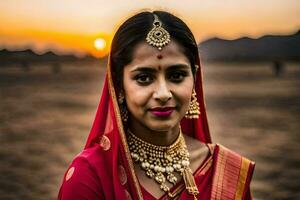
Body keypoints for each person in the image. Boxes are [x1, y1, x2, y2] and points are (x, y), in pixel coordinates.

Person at [58, 10, 255, 200]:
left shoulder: (225, 170)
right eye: (143, 78)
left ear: (194, 79)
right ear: (119, 86)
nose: (163, 94)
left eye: (176, 75)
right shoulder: (91, 175)